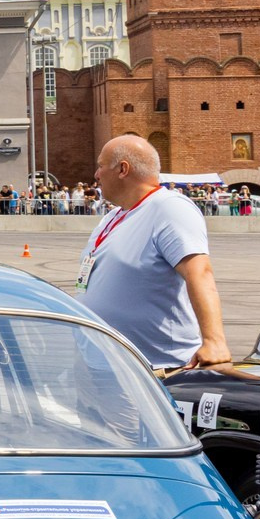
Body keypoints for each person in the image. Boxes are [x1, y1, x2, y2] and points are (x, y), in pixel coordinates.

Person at [84, 135, 232, 368]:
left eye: (101, 166)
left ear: (123, 169)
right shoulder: (113, 216)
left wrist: (214, 341)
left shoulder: (168, 207)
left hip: (153, 369)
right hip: (105, 365)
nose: (96, 174)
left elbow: (199, 271)